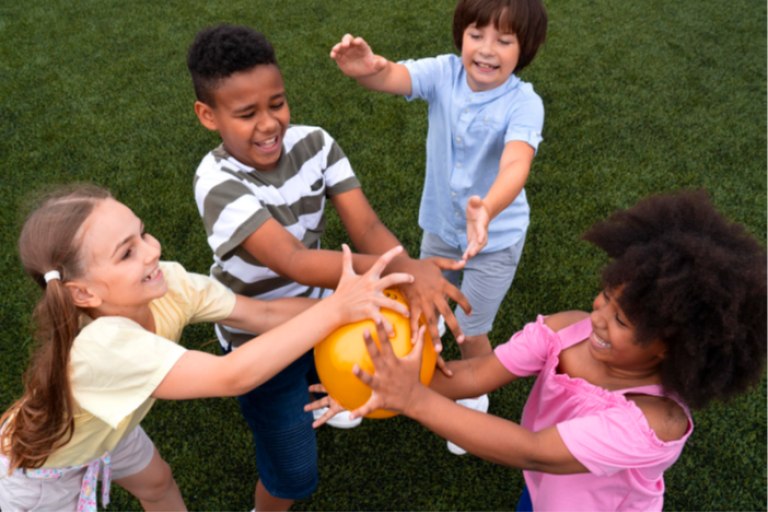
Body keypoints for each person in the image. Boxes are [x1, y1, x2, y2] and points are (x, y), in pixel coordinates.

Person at [318, 190, 768, 511]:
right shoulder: (566, 331)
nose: (598, 317)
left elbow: (532, 449)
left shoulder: (654, 423)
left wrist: (413, 399)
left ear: (671, 349)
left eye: (622, 321)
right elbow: (474, 376)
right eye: (605, 296)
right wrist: (375, 386)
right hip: (542, 491)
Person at [186, 24, 470, 510]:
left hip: (330, 313)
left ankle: (327, 384)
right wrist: (403, 271)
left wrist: (405, 271)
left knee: (333, 381)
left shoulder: (316, 143)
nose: (269, 124)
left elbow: (367, 225)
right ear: (207, 115)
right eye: (247, 114)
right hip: (260, 339)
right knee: (293, 474)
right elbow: (293, 261)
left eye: (277, 103)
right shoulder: (216, 182)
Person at [0, 184, 412, 512]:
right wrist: (336, 310)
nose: (153, 250)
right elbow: (231, 376)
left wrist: (357, 307)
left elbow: (263, 315)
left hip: (109, 428)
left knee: (158, 483)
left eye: (142, 233)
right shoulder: (103, 348)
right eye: (127, 253)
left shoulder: (170, 285)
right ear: (83, 293)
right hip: (38, 475)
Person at [330, 0, 548, 446]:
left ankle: (473, 396)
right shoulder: (444, 73)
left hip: (495, 240)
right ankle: (390, 377)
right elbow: (392, 76)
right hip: (441, 229)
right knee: (421, 306)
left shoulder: (525, 103)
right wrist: (366, 70)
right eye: (476, 35)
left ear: (525, 49)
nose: (486, 50)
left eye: (504, 41)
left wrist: (486, 209)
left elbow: (516, 164)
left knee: (470, 331)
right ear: (460, 35)